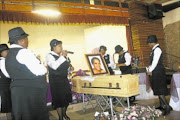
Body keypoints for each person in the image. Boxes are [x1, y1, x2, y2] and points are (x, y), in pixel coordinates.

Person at [5, 27, 49, 120]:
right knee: (35, 116)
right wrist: (44, 68)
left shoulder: (9, 55)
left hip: (18, 93)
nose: (28, 41)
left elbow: (9, 74)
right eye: (26, 38)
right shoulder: (24, 52)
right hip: (31, 93)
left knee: (23, 116)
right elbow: (40, 71)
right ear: (21, 40)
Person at [46, 39, 73, 120]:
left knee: (66, 99)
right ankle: (60, 117)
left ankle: (64, 114)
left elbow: (65, 67)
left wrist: (70, 68)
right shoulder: (49, 56)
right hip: (56, 82)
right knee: (59, 100)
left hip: (64, 80)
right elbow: (54, 66)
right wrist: (63, 56)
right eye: (59, 46)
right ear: (54, 47)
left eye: (61, 46)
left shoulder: (62, 56)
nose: (61, 48)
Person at [146, 35, 171, 115]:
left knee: (160, 90)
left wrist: (150, 70)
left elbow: (155, 62)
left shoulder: (157, 50)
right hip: (156, 71)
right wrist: (149, 69)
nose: (148, 45)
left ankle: (167, 107)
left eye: (148, 43)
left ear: (151, 43)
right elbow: (152, 63)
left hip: (158, 72)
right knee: (157, 89)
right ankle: (161, 105)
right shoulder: (154, 50)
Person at [0, 44, 12, 119]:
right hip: (5, 86)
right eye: (5, 51)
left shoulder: (5, 60)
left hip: (7, 85)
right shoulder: (2, 61)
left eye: (7, 51)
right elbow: (7, 74)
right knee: (8, 105)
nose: (7, 52)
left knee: (10, 104)